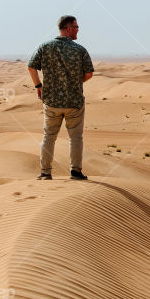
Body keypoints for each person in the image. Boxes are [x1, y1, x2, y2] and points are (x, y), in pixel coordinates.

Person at [27, 15, 94, 180]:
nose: (78, 29)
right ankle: (76, 172)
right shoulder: (80, 50)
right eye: (76, 27)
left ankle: (45, 172)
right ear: (69, 28)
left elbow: (31, 66)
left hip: (52, 102)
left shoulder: (45, 47)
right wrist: (76, 82)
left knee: (49, 136)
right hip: (74, 102)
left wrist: (38, 86)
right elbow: (89, 74)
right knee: (76, 138)